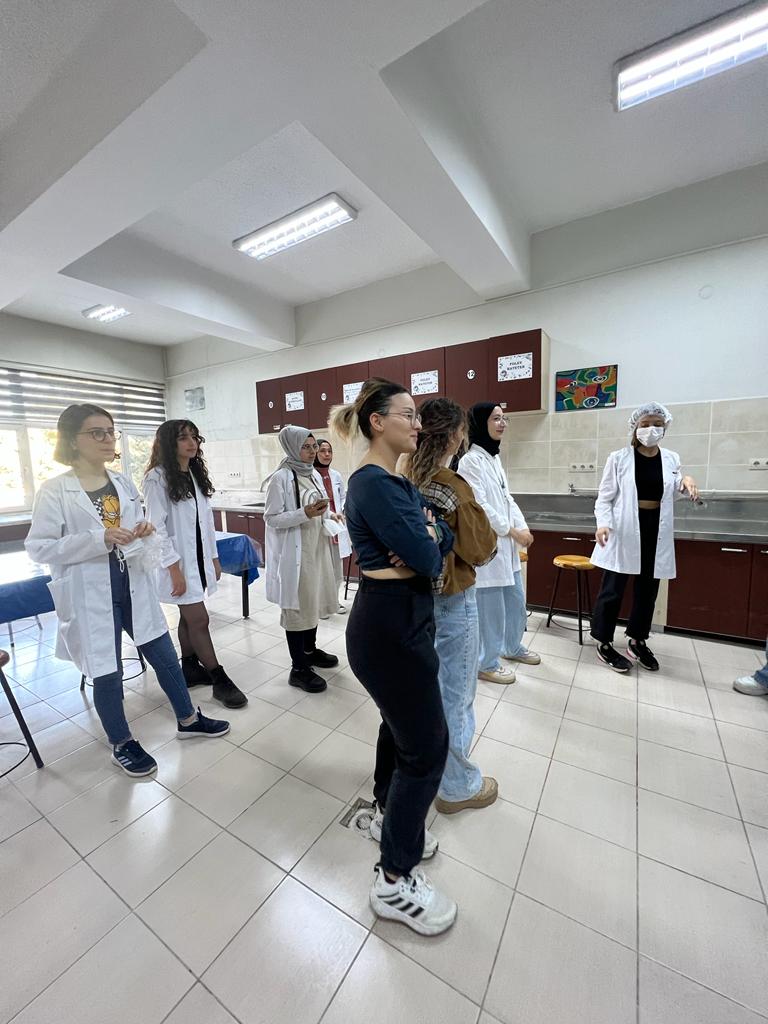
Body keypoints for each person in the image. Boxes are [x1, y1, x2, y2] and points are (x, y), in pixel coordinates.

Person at [26, 404, 230, 778]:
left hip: (132, 585)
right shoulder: (55, 491)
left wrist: (143, 534)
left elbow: (136, 534)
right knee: (108, 670)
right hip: (91, 594)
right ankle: (121, 742)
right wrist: (98, 538)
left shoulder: (121, 483)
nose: (108, 439)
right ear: (73, 440)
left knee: (164, 656)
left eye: (111, 431)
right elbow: (39, 548)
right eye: (97, 432)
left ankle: (188, 719)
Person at [332, 378, 457, 936]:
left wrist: (429, 535)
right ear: (377, 422)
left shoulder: (396, 481)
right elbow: (429, 558)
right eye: (408, 414)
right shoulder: (375, 485)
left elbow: (437, 537)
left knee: (401, 730)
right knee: (427, 750)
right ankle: (393, 880)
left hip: (401, 618)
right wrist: (427, 541)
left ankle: (389, 815)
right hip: (388, 627)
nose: (418, 424)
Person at [404, 397, 499, 814]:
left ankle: (434, 771)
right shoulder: (453, 485)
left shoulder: (408, 479)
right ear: (456, 436)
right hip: (453, 600)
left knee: (430, 692)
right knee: (456, 695)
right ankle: (457, 787)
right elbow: (481, 549)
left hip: (419, 599)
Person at [143, 419, 247, 709]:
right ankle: (219, 678)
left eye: (194, 437)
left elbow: (206, 524)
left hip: (198, 560)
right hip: (178, 563)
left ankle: (189, 667)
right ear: (168, 443)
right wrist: (173, 568)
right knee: (199, 619)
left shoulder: (193, 473)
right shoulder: (157, 478)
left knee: (189, 617)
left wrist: (213, 558)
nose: (192, 443)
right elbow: (155, 528)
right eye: (183, 438)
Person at [590, 402, 699, 673]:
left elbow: (674, 488)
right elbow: (604, 498)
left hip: (655, 528)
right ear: (635, 427)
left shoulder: (671, 458)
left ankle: (637, 640)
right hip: (624, 528)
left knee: (648, 590)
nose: (651, 429)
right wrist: (603, 524)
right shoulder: (619, 458)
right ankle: (603, 641)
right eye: (646, 424)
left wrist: (686, 480)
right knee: (613, 589)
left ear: (665, 428)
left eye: (657, 424)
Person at [459, 402, 539, 685]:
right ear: (480, 423)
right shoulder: (470, 462)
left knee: (516, 602)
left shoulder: (493, 459)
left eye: (504, 418)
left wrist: (522, 526)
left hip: (507, 549)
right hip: (489, 549)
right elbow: (479, 505)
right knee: (490, 610)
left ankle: (512, 647)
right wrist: (511, 531)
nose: (502, 423)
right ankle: (486, 663)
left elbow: (507, 499)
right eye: (495, 418)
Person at [263, 426, 340, 693]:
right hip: (296, 554)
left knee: (313, 600)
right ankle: (298, 668)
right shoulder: (281, 478)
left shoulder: (313, 474)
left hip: (316, 548)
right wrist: (304, 513)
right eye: (305, 447)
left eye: (313, 446)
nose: (312, 452)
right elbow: (271, 518)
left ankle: (310, 650)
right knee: (297, 608)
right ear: (292, 448)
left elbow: (317, 505)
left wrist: (329, 515)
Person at [314, 438, 352, 614]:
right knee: (322, 569)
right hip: (320, 527)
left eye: (329, 451)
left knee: (337, 568)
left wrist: (342, 510)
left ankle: (334, 602)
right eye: (322, 451)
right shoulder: (310, 475)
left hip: (337, 526)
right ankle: (321, 605)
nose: (327, 454)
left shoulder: (335, 475)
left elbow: (342, 496)